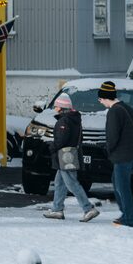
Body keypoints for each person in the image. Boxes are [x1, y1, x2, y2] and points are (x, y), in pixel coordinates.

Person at [42, 93, 100, 222]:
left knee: (72, 184)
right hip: (70, 155)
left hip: (65, 157)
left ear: (62, 107)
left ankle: (88, 208)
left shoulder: (65, 120)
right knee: (60, 183)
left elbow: (62, 140)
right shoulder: (74, 119)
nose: (55, 108)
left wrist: (52, 146)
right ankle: (57, 209)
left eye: (57, 106)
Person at [99, 80, 133, 227]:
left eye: (100, 99)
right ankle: (126, 213)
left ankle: (129, 218)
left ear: (105, 98)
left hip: (123, 156)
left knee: (122, 187)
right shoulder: (128, 109)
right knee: (118, 183)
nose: (100, 102)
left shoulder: (114, 111)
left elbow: (112, 136)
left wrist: (109, 150)